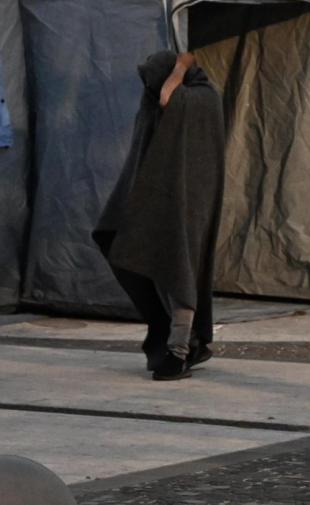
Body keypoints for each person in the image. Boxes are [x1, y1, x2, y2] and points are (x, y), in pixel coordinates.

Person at [93, 50, 225, 381]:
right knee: (127, 247)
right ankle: (182, 338)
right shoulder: (170, 98)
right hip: (162, 197)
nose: (150, 91)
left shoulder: (201, 99)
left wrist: (182, 63)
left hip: (191, 203)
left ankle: (179, 352)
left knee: (180, 271)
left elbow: (168, 97)